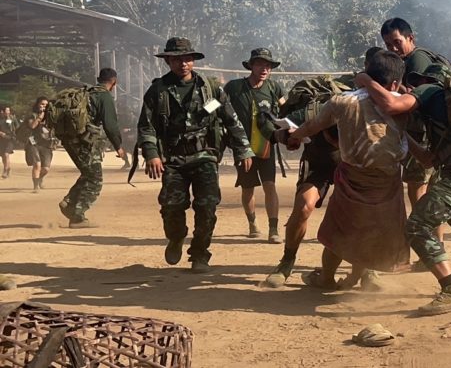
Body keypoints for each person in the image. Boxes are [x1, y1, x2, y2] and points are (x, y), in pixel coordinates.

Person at [356, 63, 451, 316]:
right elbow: (428, 160)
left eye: (419, 80)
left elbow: (390, 105)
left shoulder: (431, 90)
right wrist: (403, 136)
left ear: (430, 80)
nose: (414, 86)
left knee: (417, 227)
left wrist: (365, 80)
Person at [285, 50, 410, 291]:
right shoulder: (404, 105)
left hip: (352, 179)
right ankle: (363, 278)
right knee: (375, 232)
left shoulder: (342, 101)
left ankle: (327, 279)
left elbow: (313, 125)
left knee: (338, 233)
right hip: (387, 181)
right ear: (395, 82)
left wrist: (295, 136)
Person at [262, 48, 379, 289]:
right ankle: (286, 262)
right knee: (303, 207)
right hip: (319, 161)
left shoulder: (372, 104)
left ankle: (367, 271)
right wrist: (288, 137)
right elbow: (275, 130)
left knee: (363, 215)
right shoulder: (317, 109)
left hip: (354, 164)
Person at [137, 37, 254, 273]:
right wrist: (151, 153)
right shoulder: (158, 90)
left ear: (193, 61)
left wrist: (243, 149)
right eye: (177, 59)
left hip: (205, 157)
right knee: (172, 206)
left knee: (207, 207)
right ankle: (177, 237)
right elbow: (146, 125)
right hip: (173, 161)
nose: (183, 64)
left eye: (187, 59)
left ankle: (200, 254)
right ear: (168, 61)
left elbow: (230, 119)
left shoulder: (210, 88)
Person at [380, 18, 451, 258]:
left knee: (419, 194)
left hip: (422, 135)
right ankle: (434, 248)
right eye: (388, 45)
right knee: (423, 194)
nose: (393, 48)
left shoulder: (417, 60)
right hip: (427, 135)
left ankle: (430, 250)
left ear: (410, 38)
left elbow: (419, 98)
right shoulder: (413, 59)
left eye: (396, 42)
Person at [223, 48, 285, 243]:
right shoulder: (234, 87)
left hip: (266, 146)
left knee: (270, 186)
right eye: (260, 64)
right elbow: (216, 104)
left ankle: (273, 229)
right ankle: (252, 224)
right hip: (243, 149)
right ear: (251, 66)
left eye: (268, 66)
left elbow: (287, 109)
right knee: (248, 188)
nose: (264, 69)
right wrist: (202, 114)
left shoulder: (275, 88)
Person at [56, 68, 127, 228]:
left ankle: (69, 202)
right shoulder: (104, 96)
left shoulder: (85, 92)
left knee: (88, 173)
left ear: (98, 79)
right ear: (114, 82)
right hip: (85, 141)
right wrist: (119, 146)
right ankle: (77, 217)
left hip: (68, 139)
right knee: (95, 178)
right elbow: (110, 125)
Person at [23, 97, 54, 193]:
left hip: (46, 143)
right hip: (33, 142)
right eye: (42, 104)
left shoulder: (50, 116)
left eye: (46, 105)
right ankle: (35, 186)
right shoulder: (32, 115)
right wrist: (40, 116)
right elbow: (32, 126)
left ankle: (39, 179)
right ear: (37, 104)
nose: (44, 106)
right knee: (37, 164)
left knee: (46, 168)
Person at [0, 105, 18, 179]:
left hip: (10, 139)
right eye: (6, 111)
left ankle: (5, 170)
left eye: (9, 111)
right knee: (3, 156)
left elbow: (18, 127)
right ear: (2, 112)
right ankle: (7, 167)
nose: (8, 112)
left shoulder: (13, 119)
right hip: (1, 139)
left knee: (6, 154)